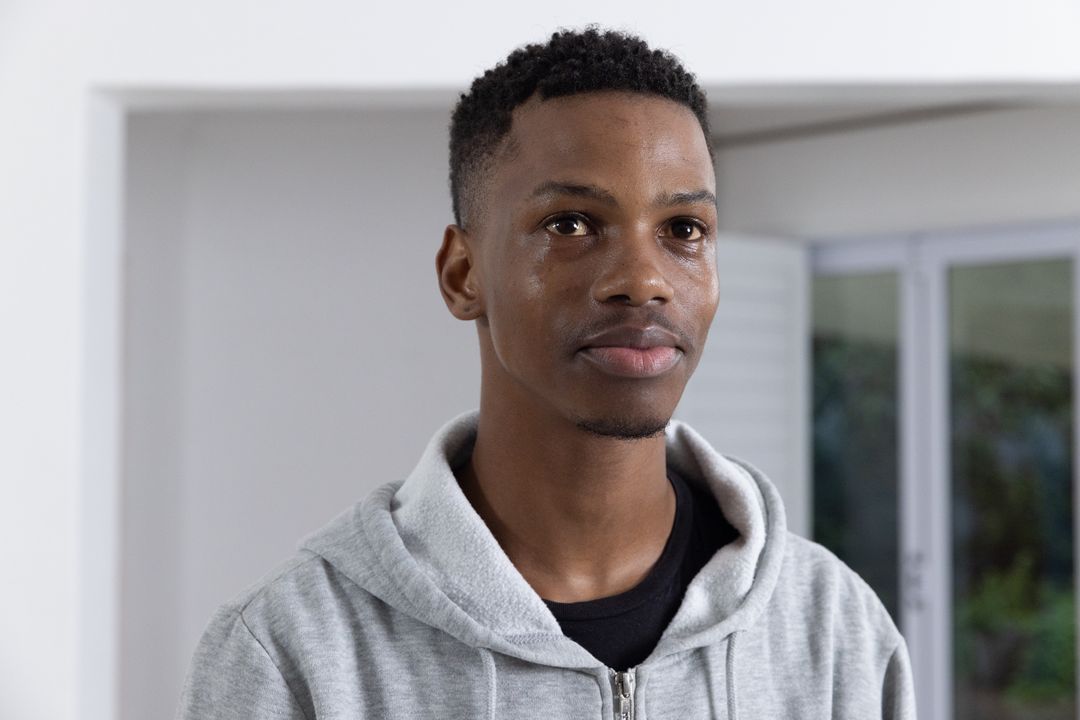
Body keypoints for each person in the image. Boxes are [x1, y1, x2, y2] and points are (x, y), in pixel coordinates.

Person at [177, 27, 916, 719]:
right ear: (464, 273)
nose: (642, 280)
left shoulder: (834, 630)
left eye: (684, 230)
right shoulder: (293, 652)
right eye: (570, 225)